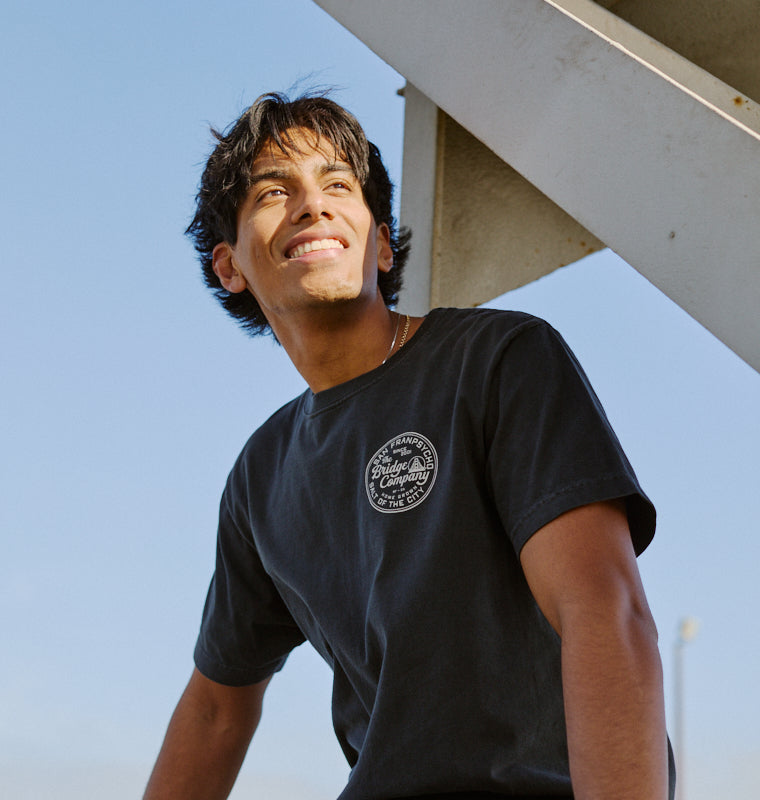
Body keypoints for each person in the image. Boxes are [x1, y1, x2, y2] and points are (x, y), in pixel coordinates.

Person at [143, 92, 674, 800]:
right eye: (275, 191)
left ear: (382, 241)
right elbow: (215, 709)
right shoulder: (261, 475)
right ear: (229, 267)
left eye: (338, 185)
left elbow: (603, 610)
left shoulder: (499, 361)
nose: (312, 205)